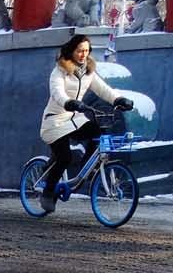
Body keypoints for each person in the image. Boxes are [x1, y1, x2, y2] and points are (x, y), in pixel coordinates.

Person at [38, 34, 132, 214]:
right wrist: (68, 102)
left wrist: (119, 99)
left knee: (97, 132)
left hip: (74, 118)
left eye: (86, 51)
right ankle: (48, 193)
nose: (83, 54)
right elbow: (57, 92)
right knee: (64, 157)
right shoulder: (59, 70)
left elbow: (103, 89)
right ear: (72, 50)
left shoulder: (88, 71)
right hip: (55, 120)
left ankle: (85, 169)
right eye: (80, 50)